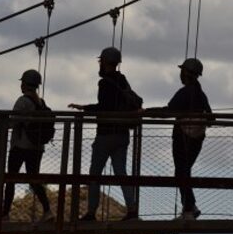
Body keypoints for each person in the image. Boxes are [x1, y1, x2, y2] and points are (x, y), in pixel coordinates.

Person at [68, 46, 138, 221]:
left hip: (106, 134)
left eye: (101, 61)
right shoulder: (123, 81)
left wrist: (84, 108)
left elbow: (104, 107)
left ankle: (91, 212)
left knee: (95, 174)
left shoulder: (105, 83)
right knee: (121, 172)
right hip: (122, 134)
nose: (99, 64)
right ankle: (132, 210)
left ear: (105, 62)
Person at [146, 58, 212, 220]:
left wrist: (147, 112)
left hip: (182, 136)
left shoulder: (185, 92)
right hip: (197, 138)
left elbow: (169, 112)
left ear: (187, 73)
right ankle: (189, 207)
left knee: (181, 171)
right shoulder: (201, 94)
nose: (180, 74)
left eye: (182, 71)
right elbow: (211, 118)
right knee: (184, 171)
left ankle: (189, 208)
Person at [2, 69, 54, 222]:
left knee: (10, 178)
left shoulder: (22, 101)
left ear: (25, 84)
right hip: (37, 148)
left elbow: (12, 122)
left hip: (20, 146)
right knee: (34, 179)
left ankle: (5, 214)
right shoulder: (41, 102)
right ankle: (47, 211)